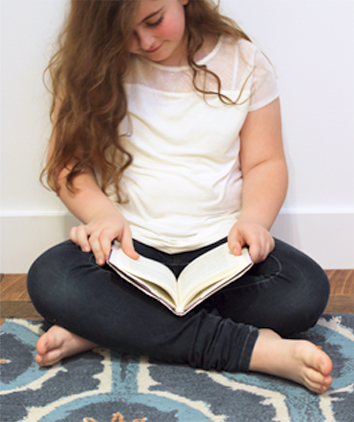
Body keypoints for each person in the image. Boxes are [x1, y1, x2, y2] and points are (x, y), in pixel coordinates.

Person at [27, 0, 333, 394]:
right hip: (129, 254)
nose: (144, 41)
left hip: (221, 251)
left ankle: (109, 327)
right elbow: (67, 165)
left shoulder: (244, 62)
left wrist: (254, 221)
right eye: (126, 32)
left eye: (154, 21)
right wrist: (102, 217)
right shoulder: (95, 65)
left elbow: (265, 162)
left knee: (304, 290)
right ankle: (251, 350)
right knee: (51, 279)